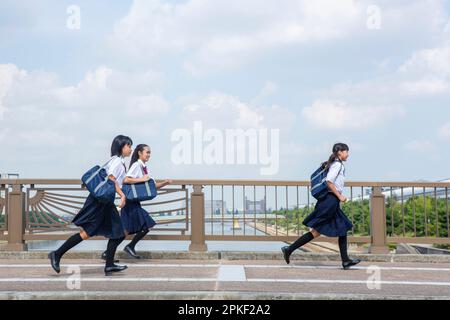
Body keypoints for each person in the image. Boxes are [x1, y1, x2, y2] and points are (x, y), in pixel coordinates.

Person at [49, 135, 133, 276]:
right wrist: (122, 195)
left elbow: (114, 179)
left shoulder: (116, 161)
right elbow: (112, 178)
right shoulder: (117, 161)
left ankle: (108, 265)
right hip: (101, 202)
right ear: (121, 147)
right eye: (128, 146)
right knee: (116, 233)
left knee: (104, 233)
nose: (131, 149)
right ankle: (57, 254)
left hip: (102, 201)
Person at [281, 143, 361, 270]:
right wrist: (339, 196)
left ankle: (345, 260)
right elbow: (329, 181)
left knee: (342, 228)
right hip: (330, 201)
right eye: (346, 151)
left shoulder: (334, 164)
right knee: (317, 231)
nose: (348, 154)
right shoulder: (337, 165)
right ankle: (289, 249)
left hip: (329, 201)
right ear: (339, 152)